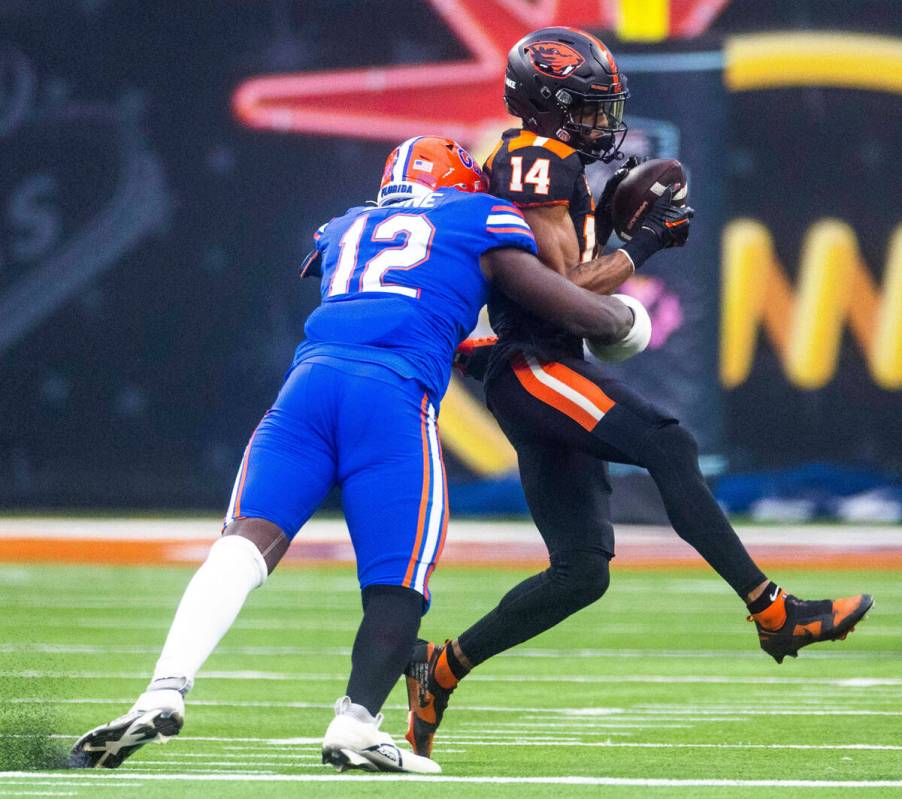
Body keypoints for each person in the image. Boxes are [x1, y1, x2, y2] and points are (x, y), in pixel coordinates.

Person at [68, 135, 638, 774]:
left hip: (306, 390)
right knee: (399, 580)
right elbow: (564, 300)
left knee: (243, 541)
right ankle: (357, 723)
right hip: (391, 398)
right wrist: (625, 296)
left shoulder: (346, 225)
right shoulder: (481, 216)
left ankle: (164, 689)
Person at [404, 27, 874, 759]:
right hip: (536, 367)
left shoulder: (552, 163)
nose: (603, 124)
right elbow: (558, 293)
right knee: (668, 440)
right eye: (589, 109)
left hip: (535, 364)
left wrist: (623, 242)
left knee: (581, 572)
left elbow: (553, 282)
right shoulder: (536, 158)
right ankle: (773, 610)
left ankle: (442, 667)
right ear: (549, 107)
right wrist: (642, 244)